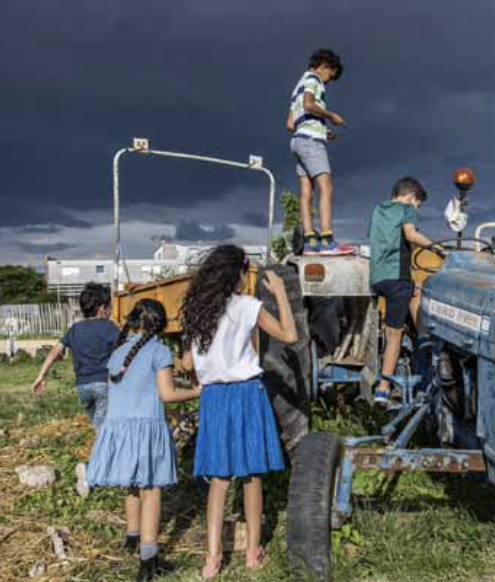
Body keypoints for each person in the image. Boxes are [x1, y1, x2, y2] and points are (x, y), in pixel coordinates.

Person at [180, 245, 298, 576]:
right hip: (247, 394)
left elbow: (188, 362)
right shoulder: (248, 306)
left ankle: (212, 558)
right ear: (238, 275)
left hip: (214, 397)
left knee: (219, 479)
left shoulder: (196, 311)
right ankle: (252, 553)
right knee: (251, 476)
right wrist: (280, 293)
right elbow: (289, 334)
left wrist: (198, 376)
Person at [85, 299, 201, 581]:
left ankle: (132, 538)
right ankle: (148, 561)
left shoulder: (118, 353)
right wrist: (198, 391)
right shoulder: (159, 351)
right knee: (152, 491)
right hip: (145, 429)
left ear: (134, 323)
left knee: (133, 486)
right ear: (160, 327)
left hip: (119, 428)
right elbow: (168, 395)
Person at [32, 282, 120, 496]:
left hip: (83, 388)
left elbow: (55, 351)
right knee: (105, 434)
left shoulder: (74, 330)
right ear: (101, 308)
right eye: (109, 306)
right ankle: (91, 473)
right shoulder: (109, 327)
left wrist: (41, 375)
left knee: (103, 431)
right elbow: (125, 351)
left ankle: (106, 475)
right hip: (104, 386)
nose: (110, 311)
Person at [367, 177, 436, 405]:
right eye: (418, 205)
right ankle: (383, 389)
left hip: (378, 278)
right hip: (397, 277)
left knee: (415, 291)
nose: (416, 210)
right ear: (410, 197)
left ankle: (424, 339)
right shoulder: (406, 209)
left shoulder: (378, 210)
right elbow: (410, 235)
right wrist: (436, 247)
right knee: (393, 335)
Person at [286, 48, 348, 254]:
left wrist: (323, 130)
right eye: (331, 75)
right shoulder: (313, 79)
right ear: (324, 66)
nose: (330, 81)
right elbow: (309, 105)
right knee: (326, 186)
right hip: (310, 141)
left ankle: (310, 241)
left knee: (306, 193)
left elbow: (290, 123)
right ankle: (327, 239)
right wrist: (331, 116)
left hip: (298, 140)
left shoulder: (297, 86)